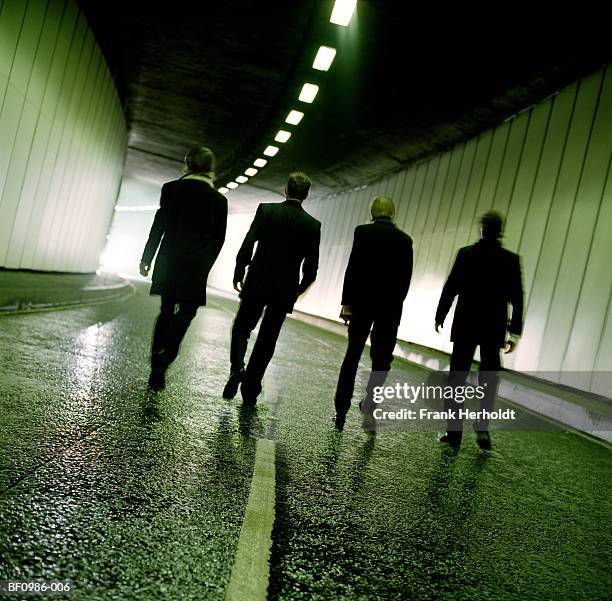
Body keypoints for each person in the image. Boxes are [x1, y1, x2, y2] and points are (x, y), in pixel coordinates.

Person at [223, 172, 321, 405]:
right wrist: (299, 289)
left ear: (285, 189)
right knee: (268, 338)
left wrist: (240, 270)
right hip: (284, 287)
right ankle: (251, 389)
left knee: (242, 327)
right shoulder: (312, 225)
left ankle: (237, 368)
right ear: (306, 195)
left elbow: (249, 242)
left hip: (257, 280)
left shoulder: (266, 210)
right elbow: (312, 265)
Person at [435, 210, 524, 449]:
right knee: (489, 377)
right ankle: (482, 427)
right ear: (500, 230)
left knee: (457, 377)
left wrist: (440, 315)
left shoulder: (466, 254)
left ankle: (453, 434)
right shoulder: (511, 260)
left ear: (482, 229)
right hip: (493, 326)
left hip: (466, 323)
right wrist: (514, 331)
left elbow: (451, 286)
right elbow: (517, 297)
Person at [139, 146, 227, 389]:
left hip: (168, 259)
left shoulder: (171, 189)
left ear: (186, 164)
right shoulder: (219, 200)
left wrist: (147, 257)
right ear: (211, 169)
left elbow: (160, 225)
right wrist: (205, 265)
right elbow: (218, 239)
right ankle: (167, 358)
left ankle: (156, 359)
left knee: (166, 309)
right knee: (187, 312)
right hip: (196, 263)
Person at [333, 196, 413, 431]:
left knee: (352, 357)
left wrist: (347, 303)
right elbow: (404, 281)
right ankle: (370, 404)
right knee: (381, 362)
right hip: (389, 309)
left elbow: (353, 268)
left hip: (362, 306)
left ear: (372, 212)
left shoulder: (363, 232)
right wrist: (395, 308)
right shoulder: (404, 240)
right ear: (393, 213)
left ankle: (340, 413)